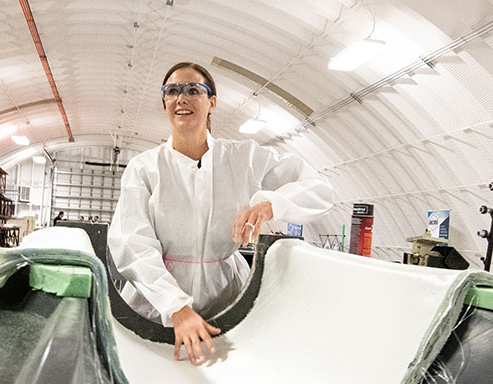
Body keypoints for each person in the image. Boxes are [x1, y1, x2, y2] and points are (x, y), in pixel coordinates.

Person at [108, 61, 333, 366]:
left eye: (193, 90)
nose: (181, 98)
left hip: (227, 301)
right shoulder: (145, 168)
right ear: (164, 102)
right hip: (156, 306)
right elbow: (132, 244)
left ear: (211, 103)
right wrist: (175, 307)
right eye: (172, 91)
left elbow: (319, 189)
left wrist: (272, 204)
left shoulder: (243, 158)